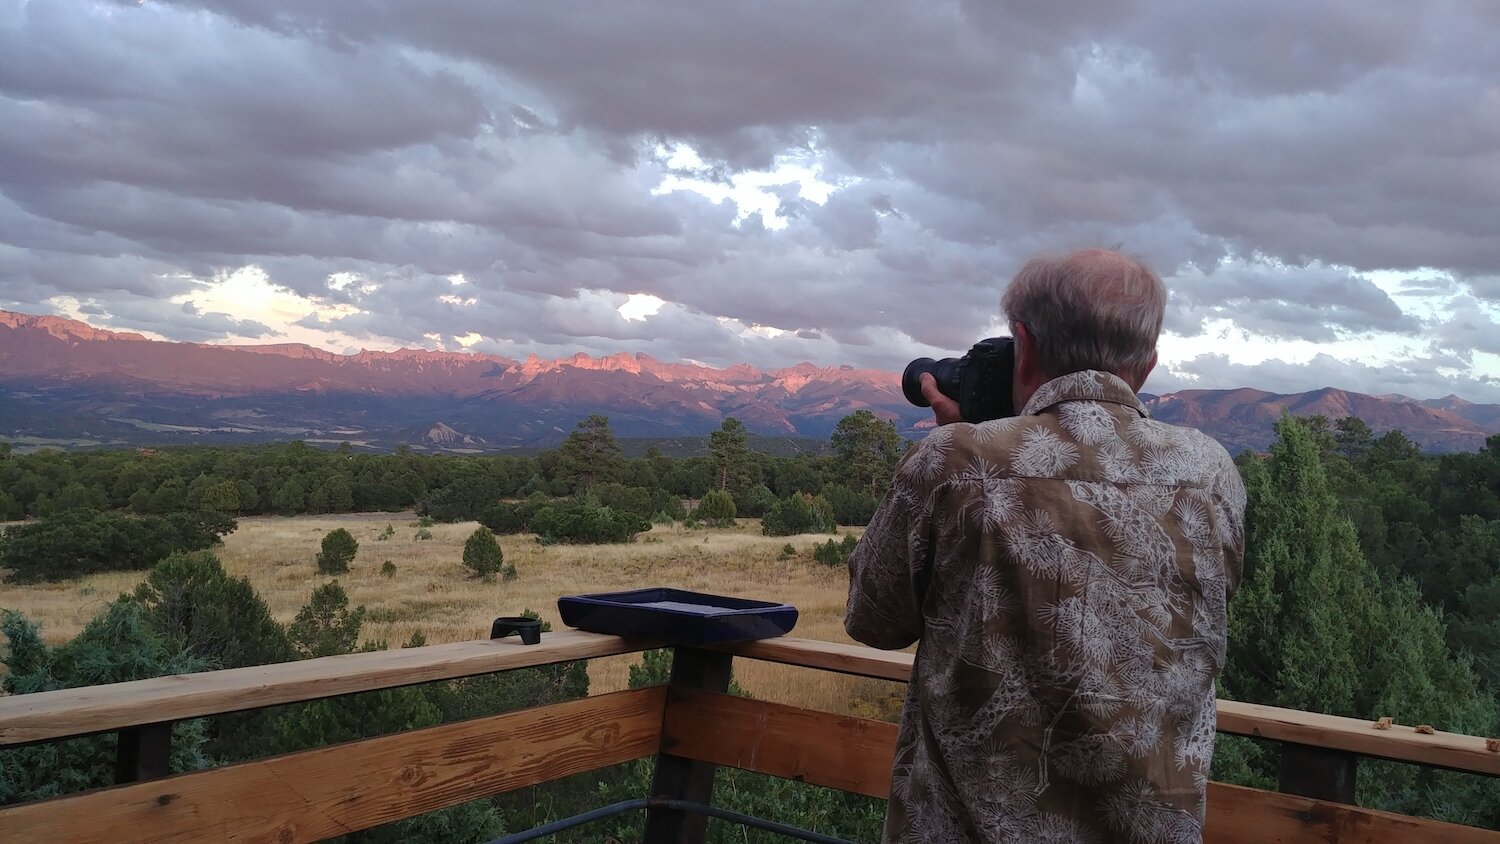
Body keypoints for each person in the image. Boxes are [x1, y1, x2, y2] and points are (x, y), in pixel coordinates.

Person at [846, 249, 1246, 843]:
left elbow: (873, 621)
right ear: (1148, 363)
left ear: (1024, 346)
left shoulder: (956, 462)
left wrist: (963, 446)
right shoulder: (1210, 472)